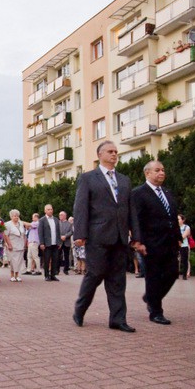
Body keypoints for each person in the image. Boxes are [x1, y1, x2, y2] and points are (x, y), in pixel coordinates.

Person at [72, 141, 134, 332]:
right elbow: (81, 207)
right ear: (100, 155)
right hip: (98, 236)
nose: (114, 154)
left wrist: (135, 234)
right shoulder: (89, 178)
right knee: (95, 274)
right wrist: (80, 234)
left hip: (120, 237)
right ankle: (80, 310)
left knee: (117, 280)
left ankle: (117, 319)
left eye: (116, 152)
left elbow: (129, 209)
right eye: (110, 151)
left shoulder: (124, 180)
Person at [130, 160, 180, 325]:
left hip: (170, 242)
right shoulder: (138, 193)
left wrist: (178, 237)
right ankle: (156, 312)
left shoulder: (167, 192)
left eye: (163, 170)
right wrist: (137, 241)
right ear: (147, 173)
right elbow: (135, 220)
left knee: (172, 273)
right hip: (150, 243)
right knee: (153, 277)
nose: (161, 173)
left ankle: (150, 297)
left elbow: (172, 216)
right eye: (157, 170)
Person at [38, 204, 61, 282]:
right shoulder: (42, 220)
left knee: (55, 260)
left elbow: (58, 232)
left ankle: (53, 275)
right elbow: (40, 233)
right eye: (48, 209)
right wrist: (41, 243)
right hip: (47, 244)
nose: (50, 211)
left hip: (55, 243)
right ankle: (46, 275)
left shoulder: (56, 219)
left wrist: (59, 242)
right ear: (45, 211)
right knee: (47, 260)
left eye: (51, 209)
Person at [3, 209, 27, 282]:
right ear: (11, 217)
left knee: (19, 261)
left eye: (17, 216)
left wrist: (25, 244)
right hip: (12, 245)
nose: (16, 217)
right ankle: (12, 275)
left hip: (20, 245)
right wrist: (9, 244)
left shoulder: (21, 224)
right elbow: (6, 235)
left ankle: (17, 275)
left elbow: (24, 235)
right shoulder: (7, 224)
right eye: (14, 216)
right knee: (13, 261)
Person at [178, 214, 191, 280]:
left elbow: (184, 235)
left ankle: (184, 275)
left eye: (179, 219)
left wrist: (178, 240)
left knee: (184, 261)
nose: (177, 220)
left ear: (183, 220)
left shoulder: (186, 227)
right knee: (176, 260)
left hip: (184, 246)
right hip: (175, 246)